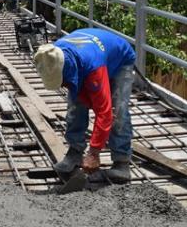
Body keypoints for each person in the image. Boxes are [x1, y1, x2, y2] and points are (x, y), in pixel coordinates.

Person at [33, 28, 136, 183]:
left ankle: (121, 163)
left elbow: (104, 112)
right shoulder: (53, 55)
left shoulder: (92, 68)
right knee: (76, 105)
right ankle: (75, 152)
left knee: (117, 111)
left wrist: (94, 153)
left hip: (120, 61)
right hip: (92, 56)